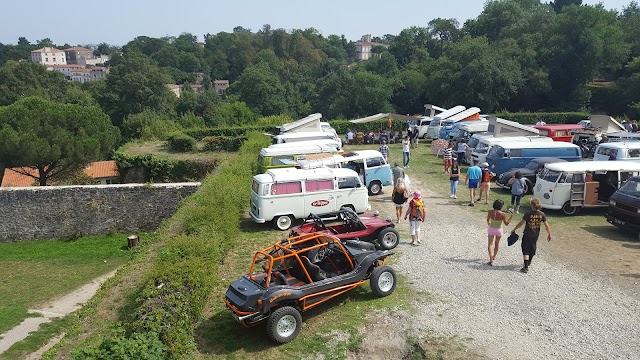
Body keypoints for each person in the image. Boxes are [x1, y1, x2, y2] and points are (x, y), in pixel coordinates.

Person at [510, 198, 552, 273]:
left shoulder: (528, 213)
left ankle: (525, 266)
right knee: (532, 247)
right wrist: (549, 234)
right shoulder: (542, 214)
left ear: (532, 206)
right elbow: (546, 225)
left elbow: (521, 223)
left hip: (527, 233)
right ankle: (529, 261)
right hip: (535, 234)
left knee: (525, 248)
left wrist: (514, 229)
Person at [486, 200, 514, 266]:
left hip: (491, 229)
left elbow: (488, 220)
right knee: (497, 243)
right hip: (499, 230)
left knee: (490, 244)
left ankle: (490, 259)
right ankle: (494, 257)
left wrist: (489, 223)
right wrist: (511, 216)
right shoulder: (502, 214)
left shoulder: (490, 212)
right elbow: (506, 223)